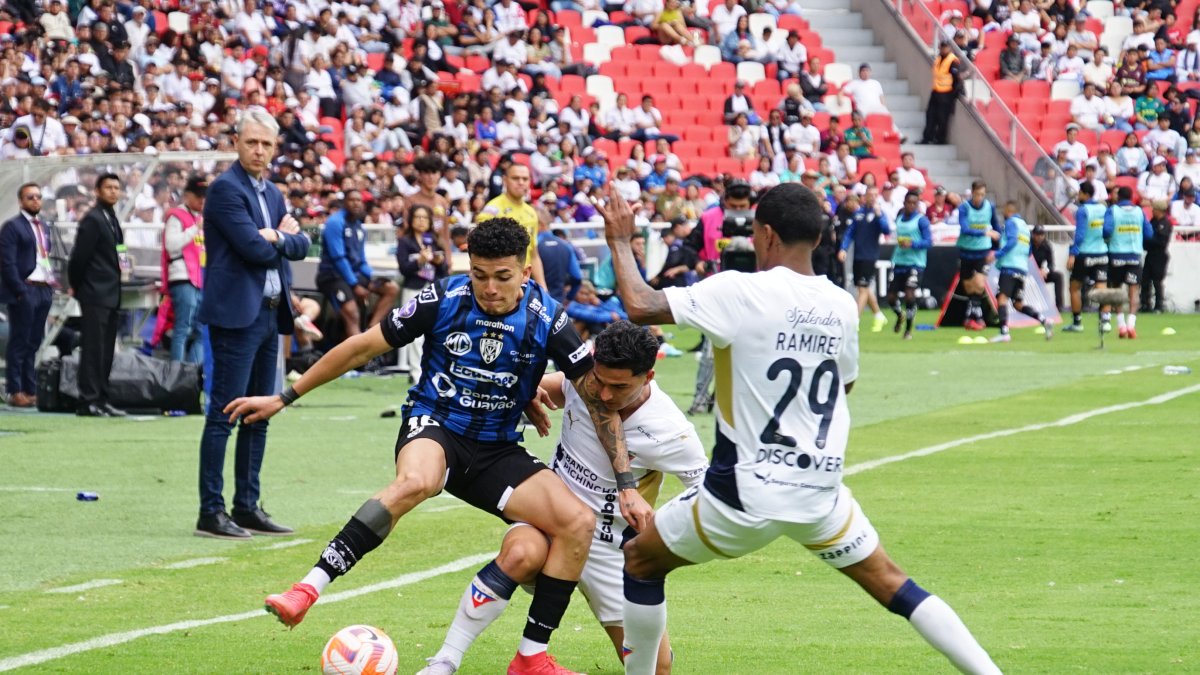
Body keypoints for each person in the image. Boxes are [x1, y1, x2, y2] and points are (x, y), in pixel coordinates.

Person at [596, 183, 1002, 675]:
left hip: (743, 495)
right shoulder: (841, 304)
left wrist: (620, 240)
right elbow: (843, 385)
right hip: (819, 490)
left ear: (765, 234)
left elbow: (639, 304)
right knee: (896, 586)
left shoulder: (738, 289)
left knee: (640, 558)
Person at [234, 218, 652, 675]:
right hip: (435, 426)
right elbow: (360, 349)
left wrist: (626, 483)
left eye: (502, 276)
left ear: (525, 273)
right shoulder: (441, 299)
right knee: (416, 481)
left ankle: (531, 657)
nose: (489, 288)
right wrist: (283, 396)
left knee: (578, 522)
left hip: (496, 449)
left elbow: (598, 400)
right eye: (479, 274)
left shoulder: (548, 318)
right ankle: (306, 589)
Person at [418, 321, 709, 675]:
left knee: (657, 668)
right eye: (599, 381)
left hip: (608, 549)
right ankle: (445, 661)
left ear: (647, 377)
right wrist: (528, 395)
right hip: (552, 521)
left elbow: (706, 496)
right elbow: (542, 388)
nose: (603, 395)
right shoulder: (580, 381)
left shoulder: (671, 431)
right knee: (521, 551)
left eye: (619, 387)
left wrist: (662, 524)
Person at [194, 109, 311, 540]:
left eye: (266, 144)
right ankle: (211, 510)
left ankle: (246, 506)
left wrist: (278, 237)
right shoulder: (226, 190)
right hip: (236, 318)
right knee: (224, 413)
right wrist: (277, 240)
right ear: (237, 142)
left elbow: (300, 244)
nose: (258, 150)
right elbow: (253, 250)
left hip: (268, 314)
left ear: (275, 147)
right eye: (251, 142)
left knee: (259, 414)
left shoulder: (274, 194)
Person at [67, 173, 126, 418]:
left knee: (106, 350)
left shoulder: (111, 219)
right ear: (98, 192)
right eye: (108, 188)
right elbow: (79, 258)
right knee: (93, 349)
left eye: (116, 188)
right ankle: (88, 400)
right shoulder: (92, 220)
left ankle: (102, 398)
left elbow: (119, 253)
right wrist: (79, 287)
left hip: (112, 293)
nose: (113, 192)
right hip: (95, 293)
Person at [318, 189, 400, 341]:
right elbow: (338, 258)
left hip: (355, 275)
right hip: (333, 276)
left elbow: (361, 261)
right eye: (352, 200)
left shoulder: (359, 227)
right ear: (344, 203)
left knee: (391, 288)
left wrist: (374, 276)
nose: (356, 203)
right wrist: (355, 285)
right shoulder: (335, 223)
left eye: (359, 200)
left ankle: (370, 333)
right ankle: (360, 358)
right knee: (352, 313)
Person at [0, 183, 55, 408]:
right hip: (26, 287)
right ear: (21, 201)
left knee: (34, 341)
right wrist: (20, 290)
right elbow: (7, 262)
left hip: (43, 286)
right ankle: (15, 389)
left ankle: (30, 388)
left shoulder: (44, 226)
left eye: (38, 197)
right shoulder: (12, 227)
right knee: (20, 341)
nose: (35, 201)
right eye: (30, 197)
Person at [396, 204, 450, 383]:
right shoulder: (405, 242)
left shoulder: (434, 241)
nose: (421, 221)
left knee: (435, 330)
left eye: (424, 218)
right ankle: (415, 372)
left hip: (432, 290)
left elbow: (444, 270)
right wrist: (418, 261)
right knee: (412, 331)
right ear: (411, 220)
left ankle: (431, 371)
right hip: (413, 289)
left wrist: (438, 261)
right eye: (417, 217)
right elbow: (404, 269)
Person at [160, 176, 208, 364]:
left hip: (201, 279)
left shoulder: (200, 217)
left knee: (201, 330)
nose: (203, 201)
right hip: (182, 278)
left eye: (205, 197)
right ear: (187, 196)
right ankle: (177, 375)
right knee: (183, 329)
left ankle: (193, 374)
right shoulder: (176, 215)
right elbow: (171, 245)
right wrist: (194, 229)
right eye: (199, 196)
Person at [991, 203, 1054, 343]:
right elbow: (1029, 250)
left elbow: (1012, 241)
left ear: (1008, 211)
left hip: (1009, 266)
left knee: (1002, 299)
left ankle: (1004, 332)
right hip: (1021, 269)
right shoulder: (1025, 227)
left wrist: (997, 254)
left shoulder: (1011, 222)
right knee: (1018, 304)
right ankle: (1044, 320)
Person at [478, 162, 547, 288]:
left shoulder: (531, 213)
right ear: (505, 180)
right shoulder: (493, 210)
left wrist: (543, 288)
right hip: (500, 284)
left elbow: (534, 254)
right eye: (515, 178)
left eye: (525, 179)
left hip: (524, 282)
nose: (521, 182)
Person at [837, 186, 891, 331]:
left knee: (862, 288)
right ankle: (879, 315)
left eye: (875, 194)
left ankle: (855, 321)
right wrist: (843, 248)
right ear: (865, 196)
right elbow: (850, 232)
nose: (872, 197)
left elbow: (887, 230)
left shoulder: (879, 213)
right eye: (870, 194)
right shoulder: (859, 213)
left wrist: (879, 215)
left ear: (877, 196)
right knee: (865, 288)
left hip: (870, 256)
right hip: (858, 256)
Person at [1104, 187, 1156, 339]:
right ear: (1132, 197)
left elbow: (1106, 231)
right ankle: (1131, 325)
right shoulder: (1139, 212)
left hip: (1117, 255)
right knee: (1134, 291)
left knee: (1117, 291)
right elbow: (1149, 234)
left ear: (1118, 197)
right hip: (1134, 255)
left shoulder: (1113, 210)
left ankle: (1121, 326)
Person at [955, 181, 1002, 331]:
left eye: (982, 194)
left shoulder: (990, 207)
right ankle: (974, 315)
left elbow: (996, 227)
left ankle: (976, 317)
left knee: (980, 284)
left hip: (983, 251)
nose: (979, 197)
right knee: (968, 284)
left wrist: (996, 249)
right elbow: (965, 228)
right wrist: (984, 232)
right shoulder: (964, 208)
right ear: (972, 193)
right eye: (977, 194)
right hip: (966, 250)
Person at [1063, 181, 1109, 332]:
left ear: (1085, 194)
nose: (1078, 195)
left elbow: (1080, 234)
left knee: (1075, 287)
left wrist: (1072, 254)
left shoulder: (1083, 210)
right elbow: (1108, 229)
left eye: (1080, 192)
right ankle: (1106, 321)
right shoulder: (1103, 208)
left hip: (1085, 253)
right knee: (1101, 286)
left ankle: (1077, 323)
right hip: (1102, 252)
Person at [886, 190, 932, 340]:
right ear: (904, 203)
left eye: (915, 203)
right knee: (891, 297)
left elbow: (929, 241)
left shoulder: (921, 220)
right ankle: (900, 315)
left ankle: (908, 330)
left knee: (909, 293)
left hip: (915, 263)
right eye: (909, 203)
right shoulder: (899, 218)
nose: (912, 205)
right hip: (899, 261)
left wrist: (912, 243)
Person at [536, 211, 582, 304]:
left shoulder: (532, 247)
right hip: (557, 303)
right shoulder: (565, 246)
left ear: (539, 224)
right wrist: (568, 299)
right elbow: (577, 278)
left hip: (534, 304)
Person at [922, 39, 961, 145]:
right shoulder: (938, 58)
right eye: (942, 47)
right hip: (936, 91)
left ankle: (940, 139)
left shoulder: (953, 60)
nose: (944, 49)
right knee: (930, 115)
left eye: (946, 47)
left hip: (946, 93)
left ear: (950, 48)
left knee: (942, 117)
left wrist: (954, 94)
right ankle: (927, 138)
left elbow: (956, 79)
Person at [1140, 200, 1173, 313]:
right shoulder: (1153, 221)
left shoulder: (1165, 223)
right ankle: (1145, 304)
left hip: (1159, 255)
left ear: (1160, 210)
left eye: (1154, 209)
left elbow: (1161, 241)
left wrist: (1149, 240)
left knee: (1157, 281)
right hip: (1151, 254)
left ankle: (1159, 305)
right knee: (1145, 280)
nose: (1152, 211)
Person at [1030, 224, 1064, 311]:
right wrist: (1036, 271)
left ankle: (1059, 306)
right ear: (1033, 235)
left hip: (1041, 273)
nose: (1039, 237)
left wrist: (1046, 270)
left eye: (1041, 235)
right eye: (1037, 235)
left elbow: (1051, 264)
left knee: (1058, 276)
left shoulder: (1046, 246)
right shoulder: (1028, 245)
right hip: (1029, 272)